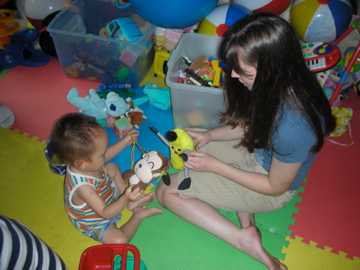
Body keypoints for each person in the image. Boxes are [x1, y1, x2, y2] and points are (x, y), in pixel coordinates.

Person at [156, 12, 336, 270]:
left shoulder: (294, 125)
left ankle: (242, 239)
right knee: (191, 148)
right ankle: (247, 221)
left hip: (272, 186)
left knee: (166, 192)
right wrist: (209, 136)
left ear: (270, 68)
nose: (235, 78)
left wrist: (217, 167)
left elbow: (275, 186)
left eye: (243, 73)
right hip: (257, 154)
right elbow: (252, 125)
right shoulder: (284, 82)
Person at [51, 113, 163, 244]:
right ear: (82, 164)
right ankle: (138, 214)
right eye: (101, 154)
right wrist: (125, 198)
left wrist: (124, 142)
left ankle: (131, 203)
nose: (106, 154)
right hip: (97, 219)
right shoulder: (83, 187)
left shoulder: (85, 163)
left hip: (105, 191)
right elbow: (105, 213)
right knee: (119, 240)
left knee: (112, 167)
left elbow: (106, 155)